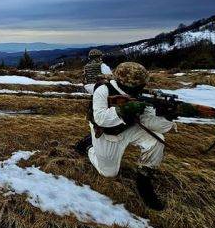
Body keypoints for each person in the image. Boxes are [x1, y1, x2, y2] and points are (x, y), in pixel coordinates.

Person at [74, 62, 176, 210]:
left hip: (130, 128)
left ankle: (144, 178)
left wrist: (167, 118)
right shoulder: (103, 90)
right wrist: (123, 110)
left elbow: (149, 122)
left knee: (157, 140)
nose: (141, 88)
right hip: (107, 133)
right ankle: (89, 146)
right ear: (128, 84)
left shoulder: (139, 94)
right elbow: (100, 118)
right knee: (108, 173)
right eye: (138, 86)